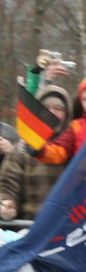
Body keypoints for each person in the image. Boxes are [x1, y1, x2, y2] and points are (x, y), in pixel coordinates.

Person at [0, 85, 72, 220]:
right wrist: (7, 204)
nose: (51, 112)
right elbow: (7, 185)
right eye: (46, 107)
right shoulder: (21, 149)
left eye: (58, 108)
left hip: (67, 230)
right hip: (30, 228)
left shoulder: (76, 149)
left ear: (67, 114)